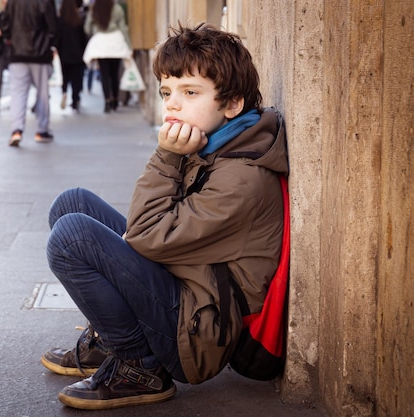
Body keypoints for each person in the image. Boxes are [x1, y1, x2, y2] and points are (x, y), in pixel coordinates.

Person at [40, 23, 289, 410]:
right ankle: (113, 337)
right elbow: (155, 232)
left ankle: (140, 366)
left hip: (199, 331)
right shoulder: (220, 143)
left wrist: (167, 156)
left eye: (190, 93)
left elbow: (145, 235)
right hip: (186, 281)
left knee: (73, 236)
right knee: (73, 204)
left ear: (232, 104)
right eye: (167, 92)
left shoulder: (242, 179)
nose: (172, 104)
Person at [0, 0, 58, 147]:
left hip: (17, 52)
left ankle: (16, 129)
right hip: (40, 53)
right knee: (42, 93)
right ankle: (41, 130)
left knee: (18, 92)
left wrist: (10, 40)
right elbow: (52, 26)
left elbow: (5, 23)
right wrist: (50, 44)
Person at [83, 0, 131, 112]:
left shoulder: (94, 8)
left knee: (104, 74)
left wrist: (93, 33)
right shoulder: (117, 8)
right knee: (115, 74)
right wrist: (129, 46)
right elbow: (123, 27)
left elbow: (87, 28)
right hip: (116, 42)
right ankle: (115, 100)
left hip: (101, 44)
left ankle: (107, 101)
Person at [56, 0, 88, 112]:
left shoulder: (59, 21)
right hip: (77, 55)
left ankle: (64, 92)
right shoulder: (79, 21)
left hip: (63, 55)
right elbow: (83, 39)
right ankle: (75, 99)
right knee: (76, 78)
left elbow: (57, 39)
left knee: (64, 77)